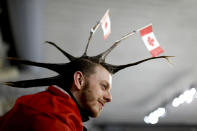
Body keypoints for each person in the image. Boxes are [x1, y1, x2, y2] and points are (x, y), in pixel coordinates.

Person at [0, 59, 112, 131]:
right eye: (103, 86)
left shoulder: (48, 105)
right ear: (79, 80)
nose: (109, 98)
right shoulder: (53, 118)